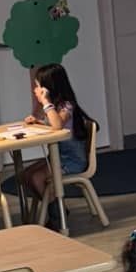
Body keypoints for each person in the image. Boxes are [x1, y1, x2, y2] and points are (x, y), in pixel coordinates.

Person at [21, 62, 92, 228]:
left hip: (71, 161)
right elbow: (53, 124)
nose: (35, 90)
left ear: (48, 88)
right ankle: (56, 207)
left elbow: (58, 125)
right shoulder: (55, 107)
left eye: (38, 87)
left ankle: (57, 217)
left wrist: (45, 102)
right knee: (26, 175)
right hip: (59, 158)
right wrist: (38, 121)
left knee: (36, 177)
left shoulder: (67, 105)